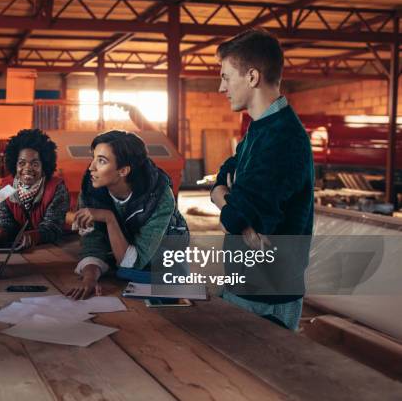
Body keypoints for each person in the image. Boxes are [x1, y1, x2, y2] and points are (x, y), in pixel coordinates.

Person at [210, 29, 314, 330]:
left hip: (267, 296)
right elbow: (224, 171)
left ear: (252, 77)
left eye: (226, 77)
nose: (221, 87)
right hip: (245, 285)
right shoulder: (261, 127)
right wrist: (222, 191)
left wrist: (224, 199)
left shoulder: (282, 138)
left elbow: (234, 216)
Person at [67, 130, 189, 300]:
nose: (91, 167)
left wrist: (109, 218)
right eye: (93, 158)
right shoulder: (90, 190)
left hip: (161, 265)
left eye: (101, 161)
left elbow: (133, 263)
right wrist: (90, 277)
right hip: (120, 259)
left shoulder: (159, 197)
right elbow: (93, 243)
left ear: (123, 170)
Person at [0, 128, 70, 250]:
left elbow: (53, 227)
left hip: (52, 250)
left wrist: (34, 236)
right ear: (14, 165)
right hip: (18, 251)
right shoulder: (6, 187)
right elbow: (5, 222)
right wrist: (0, 233)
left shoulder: (56, 188)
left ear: (44, 166)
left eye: (35, 164)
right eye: (22, 163)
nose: (28, 168)